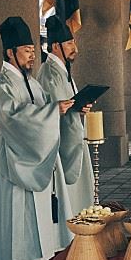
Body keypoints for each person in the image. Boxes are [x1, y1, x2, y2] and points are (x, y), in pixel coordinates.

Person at [0, 16, 74, 260]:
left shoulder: (31, 82)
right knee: (14, 217)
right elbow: (12, 119)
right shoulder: (2, 85)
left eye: (34, 51)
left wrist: (67, 109)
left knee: (34, 216)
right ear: (10, 53)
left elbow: (45, 107)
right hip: (14, 159)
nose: (32, 57)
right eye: (26, 51)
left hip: (38, 156)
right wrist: (52, 112)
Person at [38, 15, 94, 215]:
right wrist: (73, 108)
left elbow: (68, 105)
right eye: (69, 43)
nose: (74, 48)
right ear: (55, 47)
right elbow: (54, 109)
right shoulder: (49, 72)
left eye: (73, 42)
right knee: (67, 200)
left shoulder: (62, 70)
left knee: (78, 197)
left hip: (73, 137)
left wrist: (80, 107)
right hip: (63, 144)